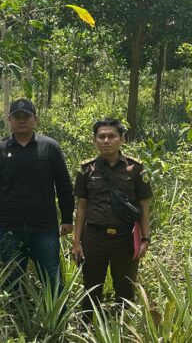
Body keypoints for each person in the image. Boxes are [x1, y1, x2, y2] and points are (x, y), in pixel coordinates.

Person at [0, 98, 74, 293]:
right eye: (17, 117)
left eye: (26, 117)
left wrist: (66, 218)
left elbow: (64, 185)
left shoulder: (50, 147)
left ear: (35, 119)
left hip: (44, 227)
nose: (22, 121)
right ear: (9, 120)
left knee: (52, 278)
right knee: (13, 281)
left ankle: (56, 319)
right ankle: (18, 320)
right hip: (10, 227)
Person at [72, 118, 152, 321]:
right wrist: (76, 242)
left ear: (122, 139)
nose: (106, 140)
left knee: (125, 287)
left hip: (125, 238)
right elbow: (81, 207)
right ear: (94, 140)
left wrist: (146, 239)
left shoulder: (135, 169)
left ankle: (123, 328)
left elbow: (143, 207)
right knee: (91, 288)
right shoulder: (86, 170)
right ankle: (88, 328)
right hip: (94, 238)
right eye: (101, 136)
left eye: (111, 136)